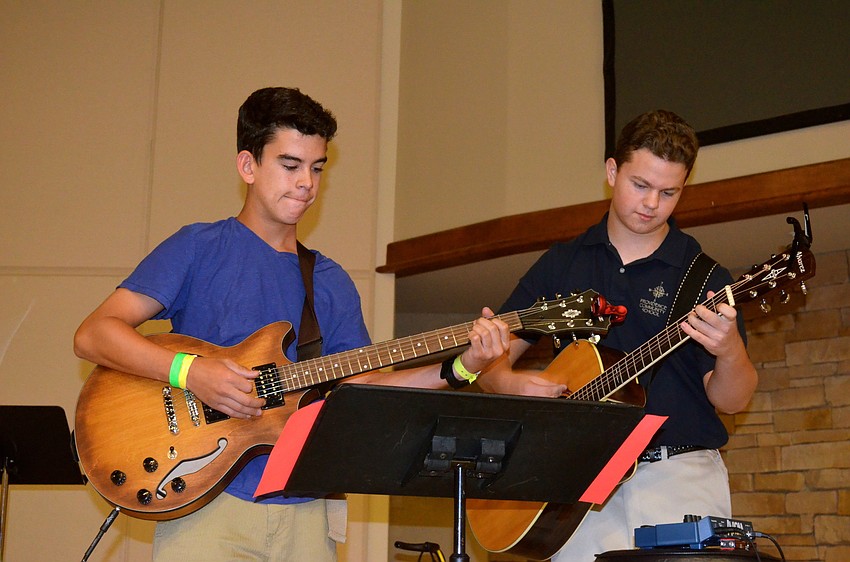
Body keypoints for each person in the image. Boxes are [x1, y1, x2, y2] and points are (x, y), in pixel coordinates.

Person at [73, 86, 561, 561]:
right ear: (247, 165)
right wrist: (192, 372)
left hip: (308, 507)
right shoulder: (198, 248)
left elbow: (366, 383)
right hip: (207, 502)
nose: (306, 182)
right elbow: (94, 333)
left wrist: (463, 367)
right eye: (290, 165)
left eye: (316, 167)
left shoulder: (328, 280)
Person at [477, 110, 759, 560]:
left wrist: (730, 351)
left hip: (678, 478)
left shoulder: (704, 277)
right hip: (578, 480)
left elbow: (731, 400)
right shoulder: (563, 264)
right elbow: (488, 359)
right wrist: (509, 382)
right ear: (612, 172)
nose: (652, 203)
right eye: (640, 185)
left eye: (669, 192)